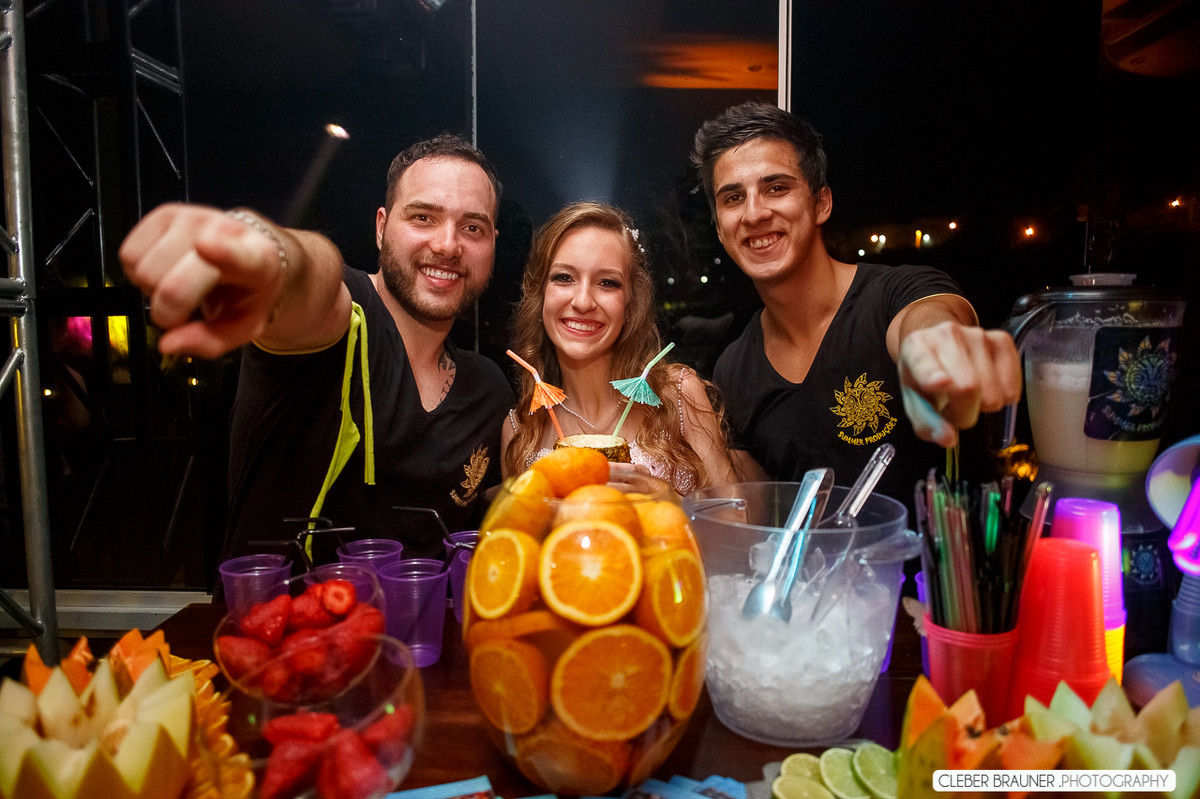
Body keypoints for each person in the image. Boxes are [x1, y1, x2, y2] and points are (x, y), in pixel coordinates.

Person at [119, 133, 515, 561]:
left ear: (492, 243)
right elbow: (315, 281)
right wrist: (272, 257)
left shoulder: (486, 389)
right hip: (274, 622)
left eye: (472, 228)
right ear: (381, 227)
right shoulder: (343, 315)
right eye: (422, 218)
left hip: (423, 626)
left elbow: (503, 509)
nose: (447, 245)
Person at [690, 101, 1022, 506]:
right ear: (721, 231)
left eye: (776, 187)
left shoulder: (895, 294)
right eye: (733, 198)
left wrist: (934, 347)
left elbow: (931, 317)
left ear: (821, 204)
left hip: (930, 569)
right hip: (815, 571)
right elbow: (763, 507)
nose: (755, 212)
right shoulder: (734, 369)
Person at [501, 201, 737, 495]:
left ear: (629, 305)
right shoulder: (520, 430)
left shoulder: (678, 395)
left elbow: (735, 522)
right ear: (541, 296)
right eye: (564, 278)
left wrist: (672, 503)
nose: (583, 302)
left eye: (607, 283)